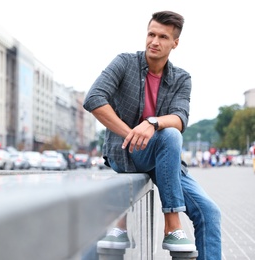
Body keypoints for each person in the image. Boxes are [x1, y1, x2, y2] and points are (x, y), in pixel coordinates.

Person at [83, 10, 221, 259]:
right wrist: (132, 135)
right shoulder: (125, 63)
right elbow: (93, 98)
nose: (154, 41)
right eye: (151, 34)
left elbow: (180, 119)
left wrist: (152, 123)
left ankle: (175, 228)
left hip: (164, 160)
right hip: (125, 153)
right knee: (170, 137)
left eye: (163, 37)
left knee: (209, 212)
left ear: (175, 43)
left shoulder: (181, 78)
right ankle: (172, 224)